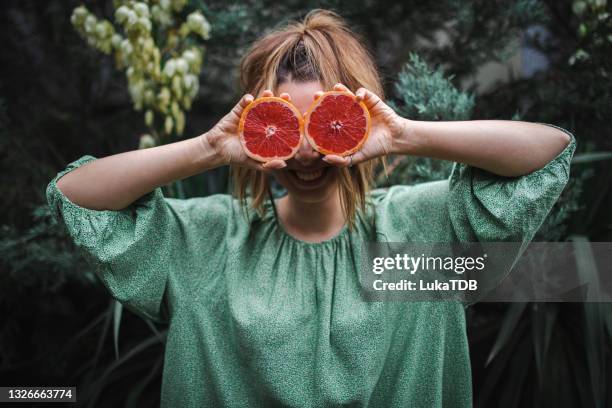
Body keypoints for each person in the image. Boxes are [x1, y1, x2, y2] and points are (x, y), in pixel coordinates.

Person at [46, 9, 574, 408]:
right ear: (255, 126)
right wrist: (208, 148)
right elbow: (76, 195)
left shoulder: (421, 232)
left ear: (362, 119)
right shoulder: (205, 243)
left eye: (325, 121)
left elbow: (546, 153)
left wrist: (406, 136)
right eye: (285, 125)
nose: (304, 153)